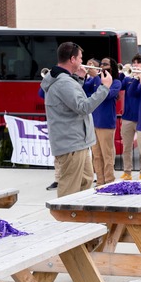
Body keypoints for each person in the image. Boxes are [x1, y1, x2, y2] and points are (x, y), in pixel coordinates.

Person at [42, 42, 112, 197]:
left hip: (77, 142)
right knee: (70, 189)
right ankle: (66, 220)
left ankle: (78, 219)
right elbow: (83, 107)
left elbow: (71, 101)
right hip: (71, 144)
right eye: (80, 58)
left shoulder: (66, 80)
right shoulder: (64, 82)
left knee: (85, 182)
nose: (82, 62)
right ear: (72, 59)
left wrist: (79, 79)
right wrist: (104, 88)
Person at [90, 57, 121, 185]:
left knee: (107, 154)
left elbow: (106, 95)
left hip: (106, 123)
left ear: (111, 67)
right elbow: (85, 91)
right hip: (94, 122)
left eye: (105, 64)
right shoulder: (94, 81)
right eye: (101, 64)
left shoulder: (116, 82)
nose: (102, 66)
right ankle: (100, 182)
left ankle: (109, 181)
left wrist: (97, 78)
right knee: (96, 155)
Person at [120, 54, 141, 181]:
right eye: (134, 62)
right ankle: (127, 172)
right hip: (127, 118)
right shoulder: (128, 78)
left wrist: (139, 77)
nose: (135, 65)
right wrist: (122, 72)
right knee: (126, 147)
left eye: (138, 63)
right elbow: (119, 85)